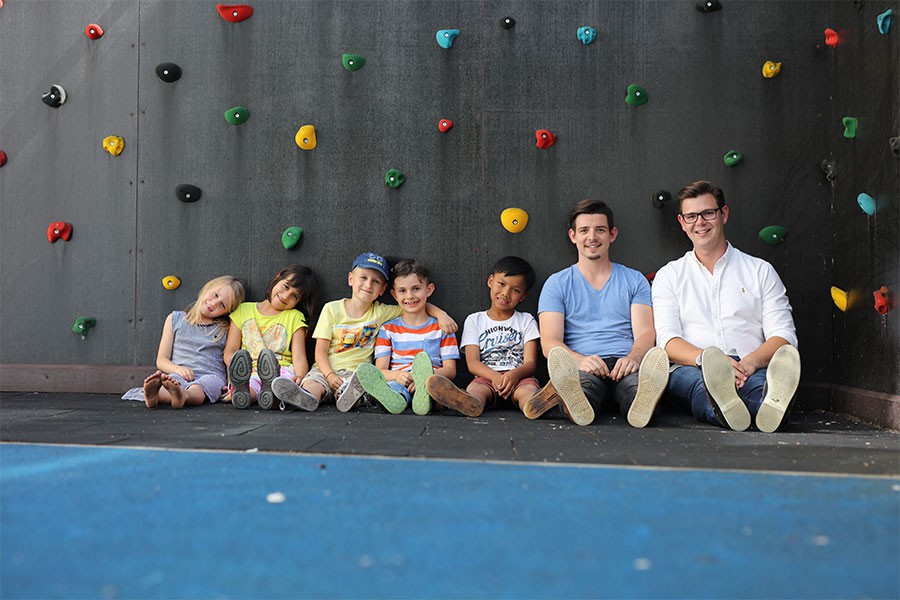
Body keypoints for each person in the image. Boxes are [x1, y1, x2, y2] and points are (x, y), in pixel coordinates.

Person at [652, 180, 801, 432]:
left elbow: (784, 336)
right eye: (691, 216)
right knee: (702, 387)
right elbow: (667, 340)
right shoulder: (669, 275)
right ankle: (728, 407)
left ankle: (769, 406)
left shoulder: (760, 271)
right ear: (682, 222)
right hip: (693, 368)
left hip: (750, 366)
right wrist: (709, 361)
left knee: (760, 389)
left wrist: (750, 363)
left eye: (708, 213)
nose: (700, 222)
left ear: (724, 214)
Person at [537, 199, 670, 427]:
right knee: (582, 388)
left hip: (625, 364)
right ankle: (575, 403)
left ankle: (644, 403)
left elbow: (646, 333)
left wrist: (633, 358)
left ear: (612, 234)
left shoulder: (634, 280)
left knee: (637, 389)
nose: (592, 237)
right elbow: (549, 342)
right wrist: (579, 361)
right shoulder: (556, 283)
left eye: (600, 230)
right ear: (573, 236)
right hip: (583, 365)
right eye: (584, 230)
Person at [271, 252, 456, 411]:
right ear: (351, 278)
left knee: (356, 388)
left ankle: (349, 400)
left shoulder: (382, 311)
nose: (368, 285)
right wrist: (330, 375)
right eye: (363, 278)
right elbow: (320, 352)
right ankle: (305, 398)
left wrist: (441, 315)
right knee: (314, 384)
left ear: (383, 289)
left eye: (375, 281)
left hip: (357, 376)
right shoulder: (332, 309)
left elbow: (413, 306)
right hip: (326, 369)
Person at [426, 256, 553, 419]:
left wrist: (513, 375)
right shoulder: (475, 320)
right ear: (490, 281)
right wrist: (495, 377)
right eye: (501, 284)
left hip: (520, 378)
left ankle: (537, 405)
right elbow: (472, 363)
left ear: (523, 296)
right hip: (485, 378)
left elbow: (530, 363)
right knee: (476, 392)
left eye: (515, 290)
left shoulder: (526, 320)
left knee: (527, 392)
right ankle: (467, 403)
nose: (505, 293)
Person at [355, 259, 459, 415]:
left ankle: (429, 401)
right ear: (394, 295)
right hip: (400, 381)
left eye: (416, 288)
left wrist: (424, 378)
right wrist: (397, 376)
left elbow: (450, 370)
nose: (410, 296)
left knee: (436, 387)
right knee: (394, 389)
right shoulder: (388, 329)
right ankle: (394, 400)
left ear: (429, 290)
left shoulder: (442, 328)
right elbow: (380, 369)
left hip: (430, 379)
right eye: (402, 291)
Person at [123, 276, 246, 408]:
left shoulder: (225, 328)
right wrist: (178, 369)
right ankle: (156, 396)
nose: (214, 303)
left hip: (211, 374)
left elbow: (229, 357)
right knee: (171, 383)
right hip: (179, 372)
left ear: (227, 311)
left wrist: (230, 383)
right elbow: (161, 360)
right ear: (206, 288)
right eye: (215, 294)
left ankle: (184, 396)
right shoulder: (175, 319)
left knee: (202, 388)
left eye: (222, 305)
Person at [224, 265, 318, 410]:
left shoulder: (294, 317)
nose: (286, 296)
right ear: (277, 277)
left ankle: (271, 394)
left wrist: (299, 376)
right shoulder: (243, 310)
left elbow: (299, 357)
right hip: (249, 370)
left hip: (282, 370)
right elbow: (230, 350)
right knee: (250, 385)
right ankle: (245, 394)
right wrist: (238, 365)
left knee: (280, 384)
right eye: (286, 286)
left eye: (295, 296)